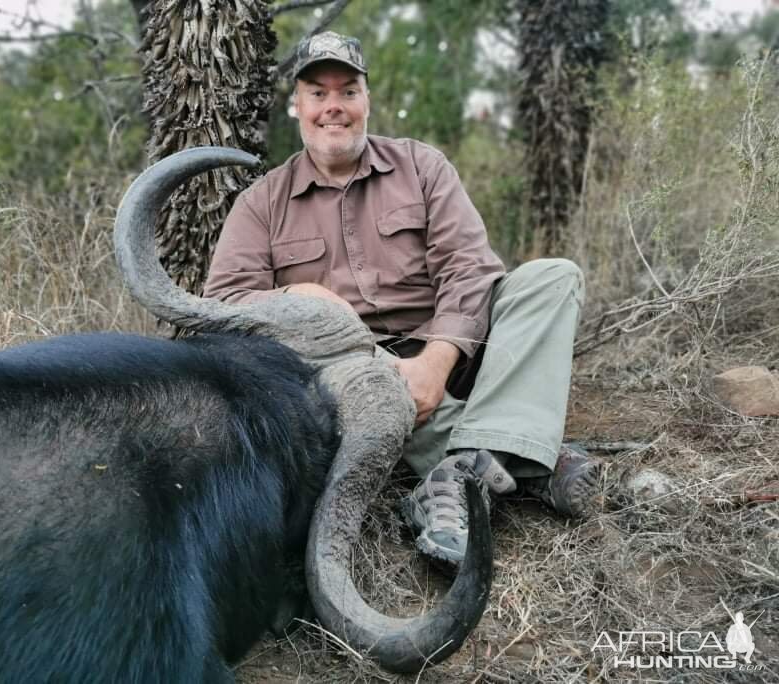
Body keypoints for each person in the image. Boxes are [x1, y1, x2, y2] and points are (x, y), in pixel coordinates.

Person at [203, 31, 600, 567]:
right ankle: (529, 459)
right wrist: (302, 293)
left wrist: (437, 361)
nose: (333, 107)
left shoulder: (421, 166)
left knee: (552, 277)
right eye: (317, 93)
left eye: (348, 91)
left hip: (454, 355)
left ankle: (457, 472)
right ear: (296, 105)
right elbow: (224, 306)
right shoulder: (260, 203)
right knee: (353, 382)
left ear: (367, 101)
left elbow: (470, 267)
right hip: (351, 375)